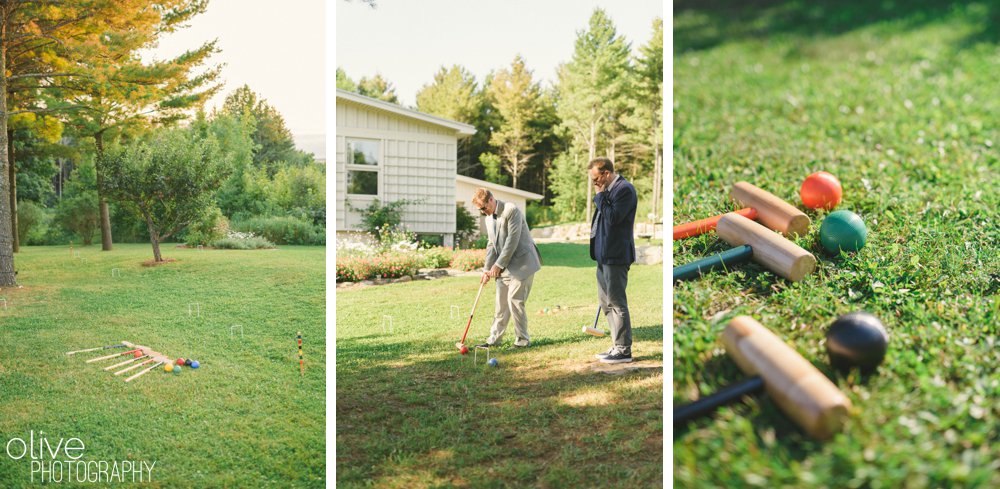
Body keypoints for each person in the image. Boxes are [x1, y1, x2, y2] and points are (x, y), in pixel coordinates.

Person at [472, 188, 542, 348]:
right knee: (501, 304)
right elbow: (491, 245)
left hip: (522, 263)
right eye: (480, 210)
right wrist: (486, 269)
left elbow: (512, 241)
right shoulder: (489, 219)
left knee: (515, 300)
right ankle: (494, 339)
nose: (483, 212)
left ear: (491, 199)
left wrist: (498, 265)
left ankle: (522, 340)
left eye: (484, 207)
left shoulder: (511, 210)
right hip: (505, 266)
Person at [588, 157, 638, 364]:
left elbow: (613, 218)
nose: (595, 183)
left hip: (616, 255)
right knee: (606, 302)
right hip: (603, 255)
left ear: (606, 173)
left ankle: (624, 350)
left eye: (596, 179)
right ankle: (616, 345)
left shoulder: (625, 190)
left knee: (617, 302)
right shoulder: (609, 191)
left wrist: (599, 196)